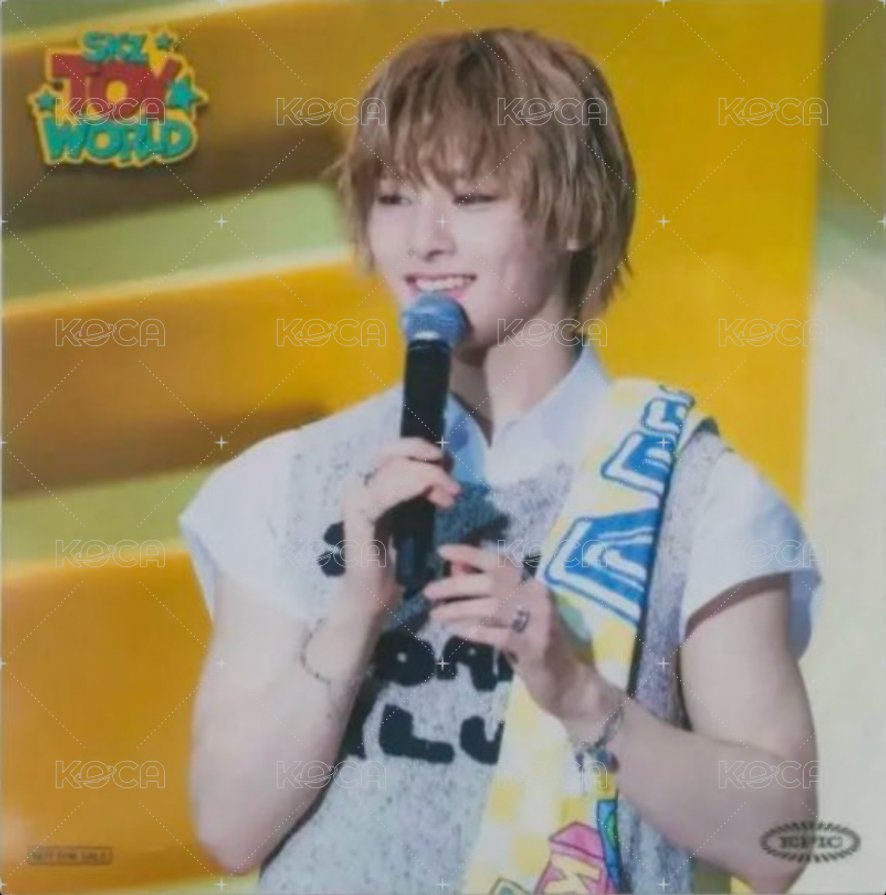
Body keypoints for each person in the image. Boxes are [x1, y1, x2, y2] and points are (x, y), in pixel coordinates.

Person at [179, 27, 822, 895]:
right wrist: (355, 610)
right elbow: (227, 825)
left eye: (473, 197)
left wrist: (580, 693)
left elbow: (780, 838)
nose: (424, 240)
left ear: (577, 214)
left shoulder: (698, 494)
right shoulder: (287, 481)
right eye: (395, 197)